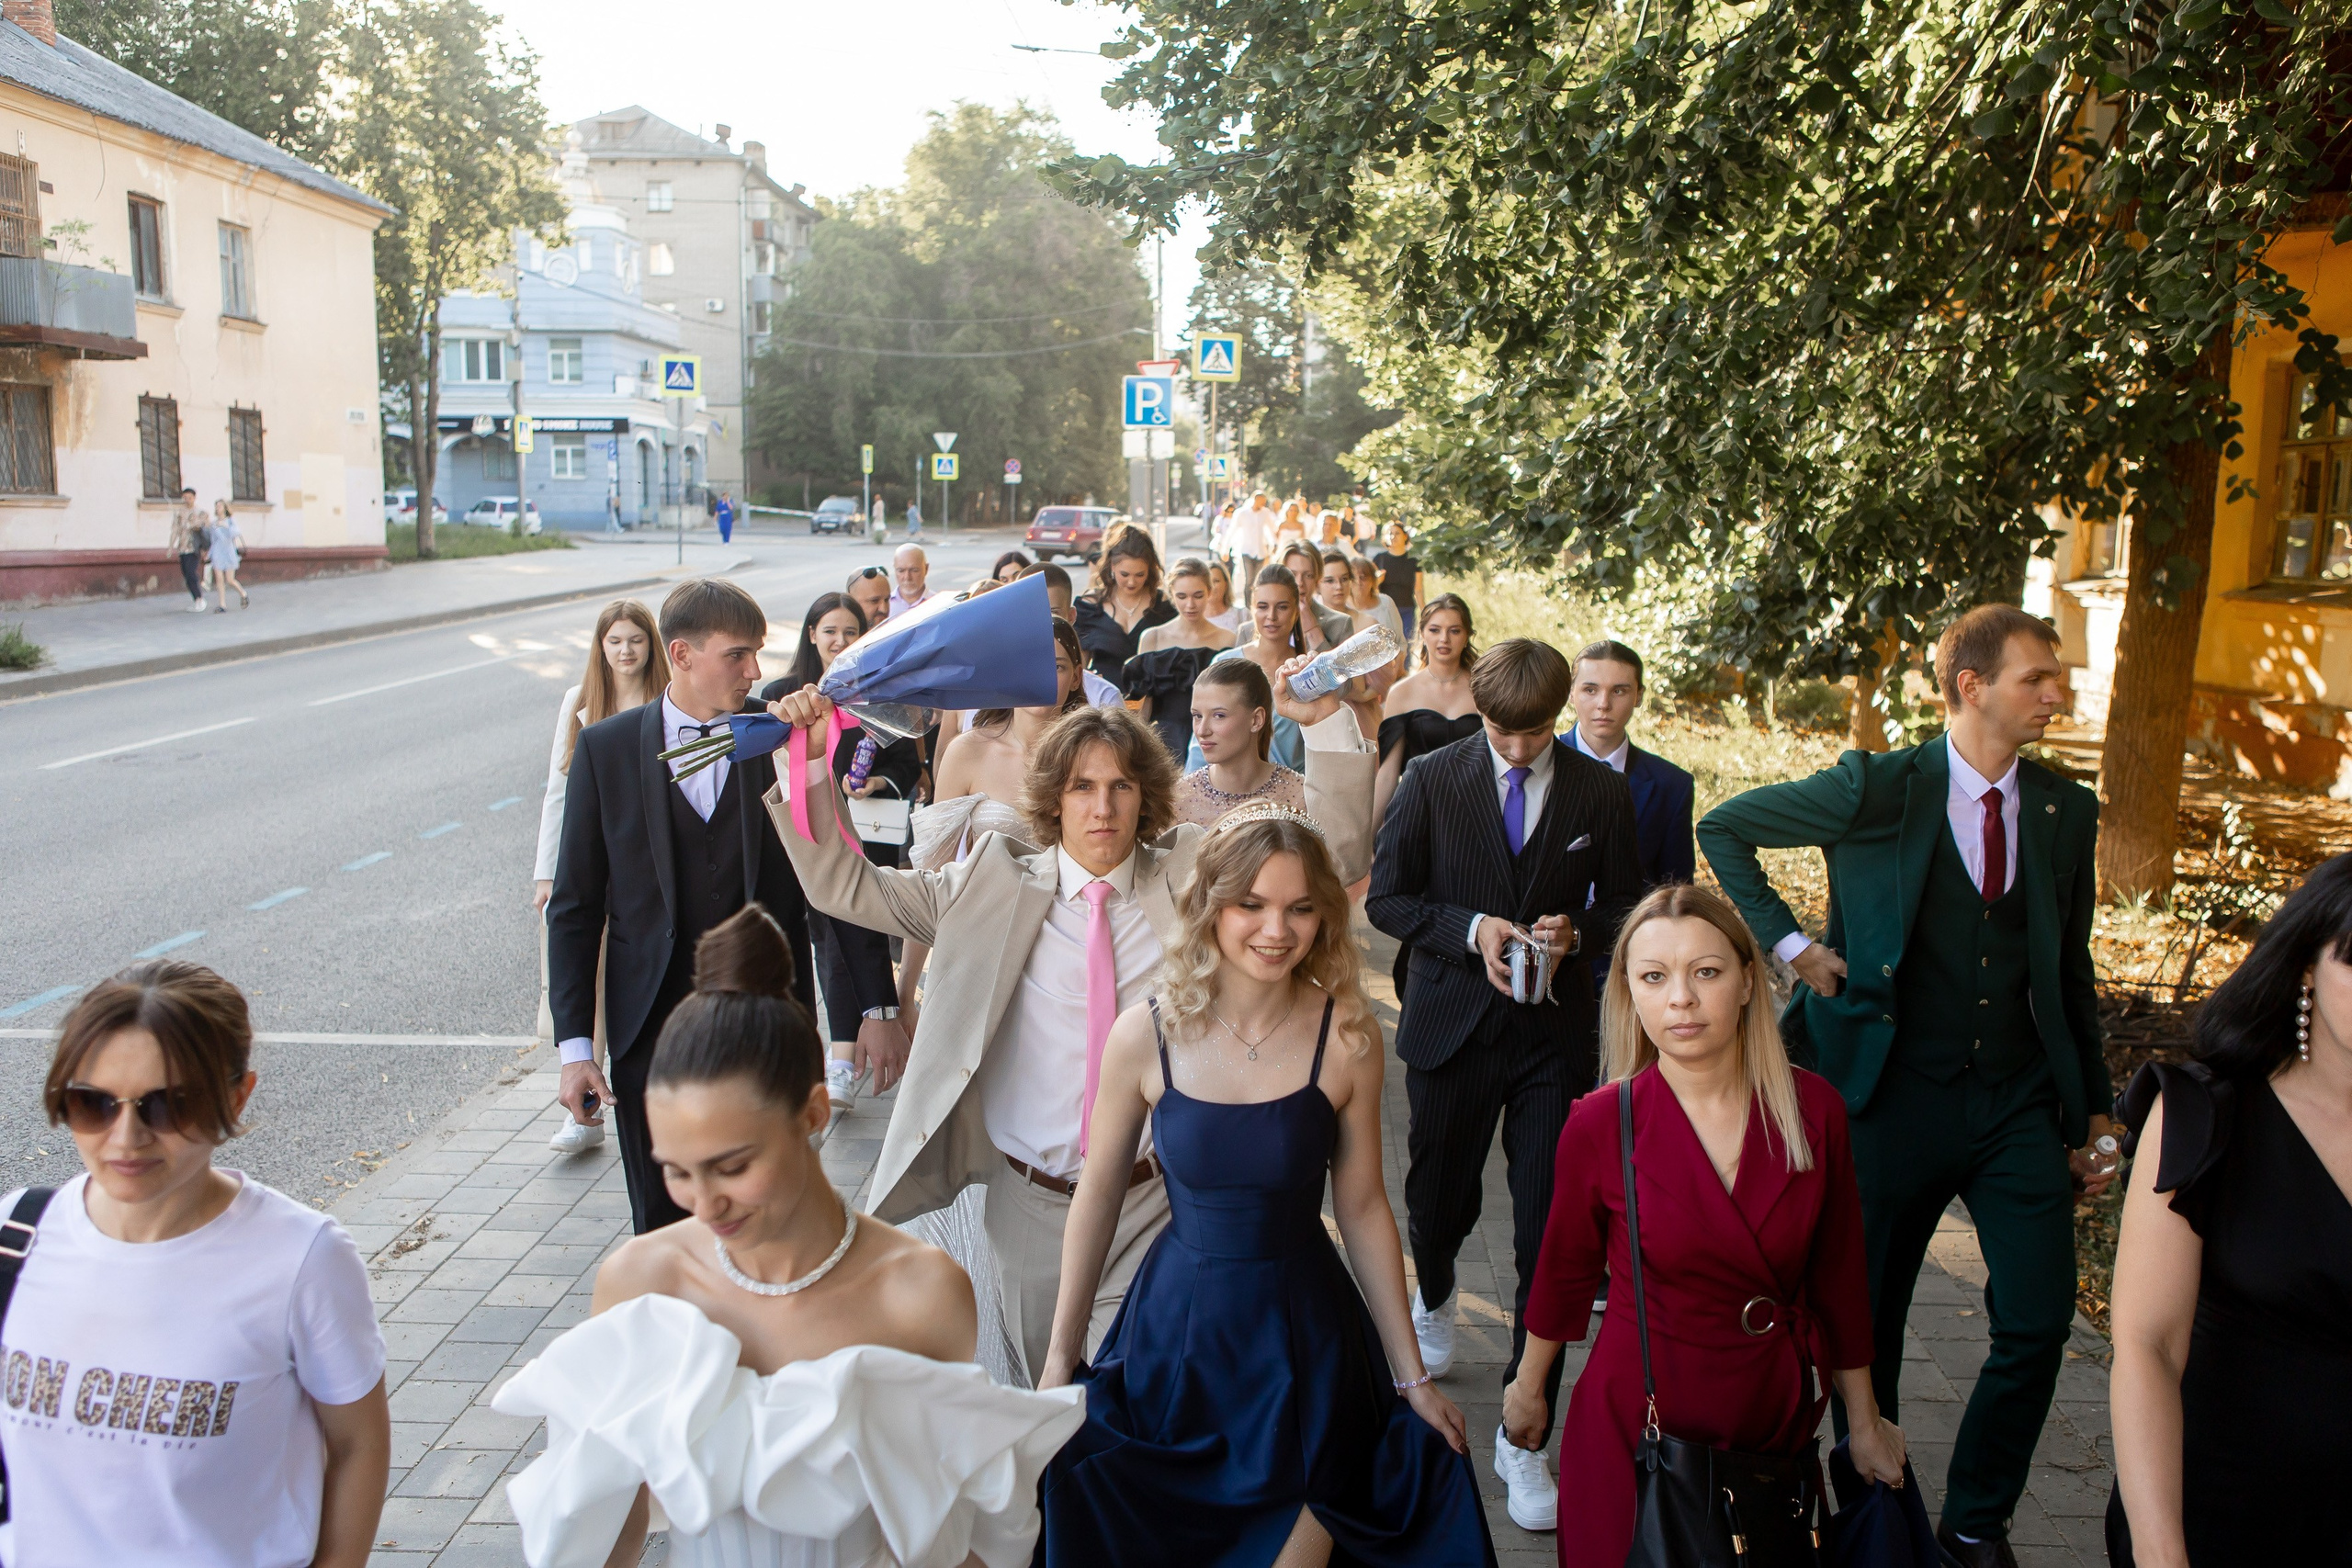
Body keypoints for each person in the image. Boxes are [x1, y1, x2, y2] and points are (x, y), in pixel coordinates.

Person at [759, 694, 1374, 1386]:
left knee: (1131, 1394)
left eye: (1121, 785)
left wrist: (1323, 720)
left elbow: (1332, 863)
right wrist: (809, 758)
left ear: (1148, 796)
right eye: (1083, 786)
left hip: (1157, 1202)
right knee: (1042, 1405)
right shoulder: (989, 880)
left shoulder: (1194, 872)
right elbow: (845, 886)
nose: (1102, 807)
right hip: (1029, 1204)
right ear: (1053, 798)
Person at [1696, 603, 2112, 1568]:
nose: (2055, 694)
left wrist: (2092, 1111)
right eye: (2034, 679)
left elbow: (2070, 970)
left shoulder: (2064, 811)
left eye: (2054, 679)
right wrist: (1795, 947)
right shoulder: (1874, 788)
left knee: (2041, 1317)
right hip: (1887, 1093)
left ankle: (1975, 1521)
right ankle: (1863, 1500)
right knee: (1862, 1325)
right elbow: (1727, 828)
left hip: (2014, 1101)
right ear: (1970, 687)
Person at [495, 906, 1082, 1568]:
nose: (703, 1202)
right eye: (677, 1171)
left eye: (733, 1165)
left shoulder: (919, 1292)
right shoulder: (642, 1283)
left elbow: (944, 1535)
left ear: (813, 1111)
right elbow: (609, 1531)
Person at [1037, 807, 1497, 1566]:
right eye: (1251, 903)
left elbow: (1362, 1206)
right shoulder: (1143, 1033)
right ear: (1211, 906)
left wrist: (1411, 1374)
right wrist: (1060, 1357)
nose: (1275, 929)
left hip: (1305, 1340)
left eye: (1300, 908)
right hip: (1179, 1336)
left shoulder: (1347, 1034)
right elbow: (1099, 1195)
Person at [1502, 885, 1906, 1568]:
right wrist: (1526, 1389)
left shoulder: (1815, 1113)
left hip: (1767, 1426)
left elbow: (1840, 1280)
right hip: (1634, 1430)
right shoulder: (1601, 1122)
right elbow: (1563, 1274)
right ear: (1629, 991)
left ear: (1749, 980)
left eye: (1706, 972)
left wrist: (1863, 1421)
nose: (1680, 999)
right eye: (1654, 977)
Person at [1367, 636, 1644, 1533]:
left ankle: (1525, 1442)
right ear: (1477, 716)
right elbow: (1387, 901)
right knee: (1436, 1202)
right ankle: (1437, 1284)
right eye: (1500, 733)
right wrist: (1473, 926)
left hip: (1550, 1042)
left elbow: (1628, 904)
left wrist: (1578, 935)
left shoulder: (1601, 791)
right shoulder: (1434, 779)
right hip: (1450, 1025)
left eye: (1534, 735)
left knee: (1548, 1230)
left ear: (1558, 719)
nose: (1517, 750)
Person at [1, 962, 389, 1567]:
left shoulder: (302, 1258)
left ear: (237, 1094)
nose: (125, 1137)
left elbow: (358, 1443)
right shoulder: (15, 1237)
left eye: (169, 1105)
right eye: (92, 1103)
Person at [547, 578, 817, 1235]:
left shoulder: (779, 736)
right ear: (683, 653)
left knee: (766, 1219)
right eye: (738, 655)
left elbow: (829, 882)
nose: (756, 671)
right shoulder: (606, 751)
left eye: (758, 654)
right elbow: (576, 906)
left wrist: (875, 1007)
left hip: (765, 1027)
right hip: (649, 1032)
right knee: (663, 1227)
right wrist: (577, 1048)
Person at [2106, 852, 2352, 1565]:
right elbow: (2148, 1345)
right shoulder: (2204, 1114)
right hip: (2217, 1517)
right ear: (2305, 968)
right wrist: (2161, 1550)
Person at [759, 593, 919, 1111]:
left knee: (852, 930)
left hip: (866, 837)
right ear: (811, 634)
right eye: (830, 631)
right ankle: (827, 1056)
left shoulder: (876, 699)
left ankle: (845, 1056)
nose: (840, 642)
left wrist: (877, 780)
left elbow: (906, 763)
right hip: (797, 843)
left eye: (851, 632)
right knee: (812, 944)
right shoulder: (781, 697)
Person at [534, 598, 669, 1152]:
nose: (625, 650)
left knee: (630, 979)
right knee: (583, 979)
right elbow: (558, 792)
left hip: (644, 866)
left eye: (635, 639)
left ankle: (637, 1093)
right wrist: (547, 872)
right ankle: (581, 1107)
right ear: (600, 647)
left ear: (651, 644)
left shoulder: (667, 699)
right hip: (591, 861)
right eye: (614, 641)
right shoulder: (580, 702)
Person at [1566, 639, 1696, 891]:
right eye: (1590, 690)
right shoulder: (1539, 763)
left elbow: (1675, 889)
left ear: (1638, 696)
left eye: (1619, 691)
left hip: (1632, 926)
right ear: (1571, 693)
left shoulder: (1671, 785)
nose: (1603, 704)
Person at [1373, 592, 1484, 829]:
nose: (1444, 639)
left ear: (1467, 636)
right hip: (1417, 811)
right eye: (1435, 630)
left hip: (1474, 811)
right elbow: (1387, 774)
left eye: (1454, 631)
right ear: (1422, 633)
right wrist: (1365, 843)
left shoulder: (1485, 691)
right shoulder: (1401, 693)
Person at [1191, 565, 1315, 773]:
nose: (1271, 616)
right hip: (1228, 791)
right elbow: (1200, 739)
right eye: (1263, 606)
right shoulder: (1225, 662)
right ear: (1252, 609)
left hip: (1289, 795)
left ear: (1296, 611)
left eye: (1282, 607)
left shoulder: (1306, 670)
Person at [1073, 530, 1177, 682]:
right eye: (1125, 574)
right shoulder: (1090, 607)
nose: (1131, 582)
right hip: (1104, 700)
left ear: (1150, 570)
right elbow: (1079, 665)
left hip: (1152, 699)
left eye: (1140, 575)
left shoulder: (1164, 606)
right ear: (1112, 567)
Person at [1021, 562, 1124, 707]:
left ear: (1071, 616)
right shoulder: (992, 695)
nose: (1040, 623)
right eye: (1030, 613)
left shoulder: (1103, 697)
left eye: (1053, 613)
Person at [1279, 542, 1351, 651]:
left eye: (1308, 575)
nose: (1299, 582)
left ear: (1317, 580)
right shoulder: (1251, 629)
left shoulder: (1340, 624)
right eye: (1292, 574)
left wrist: (1313, 630)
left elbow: (1339, 668)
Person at [1374, 524, 1423, 642]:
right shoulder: (1379, 559)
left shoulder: (1414, 560)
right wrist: (1377, 581)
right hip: (1384, 610)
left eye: (1397, 533)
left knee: (1405, 645)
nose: (1393, 536)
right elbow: (1370, 588)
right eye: (1390, 533)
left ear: (1405, 536)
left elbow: (1418, 589)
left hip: (1407, 609)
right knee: (1385, 646)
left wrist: (1425, 612)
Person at [169, 485, 208, 612]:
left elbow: (207, 531)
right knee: (186, 573)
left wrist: (206, 549)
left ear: (194, 498)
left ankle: (200, 598)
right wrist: (170, 546)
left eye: (189, 497)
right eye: (185, 497)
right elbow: (175, 530)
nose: (187, 500)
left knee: (191, 572)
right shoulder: (180, 512)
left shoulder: (201, 513)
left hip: (194, 547)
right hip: (183, 547)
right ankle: (196, 599)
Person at [207, 500, 247, 612]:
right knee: (219, 579)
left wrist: (225, 525)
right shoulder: (214, 523)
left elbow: (236, 533)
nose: (217, 508)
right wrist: (209, 554)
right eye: (216, 506)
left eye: (220, 506)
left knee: (230, 580)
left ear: (225, 508)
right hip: (217, 553)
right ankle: (222, 604)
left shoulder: (230, 521)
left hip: (229, 552)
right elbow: (213, 541)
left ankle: (243, 593)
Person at [1229, 490, 1273, 589]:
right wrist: (1225, 548)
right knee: (1249, 579)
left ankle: (1256, 602)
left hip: (1261, 551)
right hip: (1247, 550)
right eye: (1261, 501)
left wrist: (1273, 544)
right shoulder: (1242, 513)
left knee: (1258, 580)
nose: (1263, 504)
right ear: (1255, 499)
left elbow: (1270, 530)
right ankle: (1248, 604)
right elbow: (1232, 531)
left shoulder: (1265, 513)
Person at [889, 543, 932, 618]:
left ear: (926, 569)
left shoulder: (939, 604)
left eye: (914, 570)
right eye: (901, 571)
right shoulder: (885, 606)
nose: (907, 577)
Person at [843, 564, 891, 631]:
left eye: (886, 600)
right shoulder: (840, 640)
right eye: (874, 601)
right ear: (851, 600)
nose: (884, 609)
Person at [1204, 557, 1241, 635]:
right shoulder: (1192, 620)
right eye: (1207, 581)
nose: (1211, 586)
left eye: (1216, 581)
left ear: (1226, 584)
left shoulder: (1242, 615)